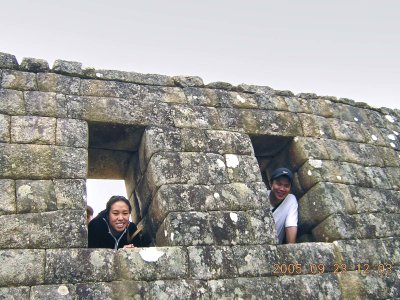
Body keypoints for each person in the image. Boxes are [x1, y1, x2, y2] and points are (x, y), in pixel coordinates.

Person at [268, 167, 298, 244]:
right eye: (278, 184)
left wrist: (291, 251)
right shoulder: (261, 195)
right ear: (271, 184)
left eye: (286, 186)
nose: (282, 189)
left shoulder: (291, 200)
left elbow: (291, 225)